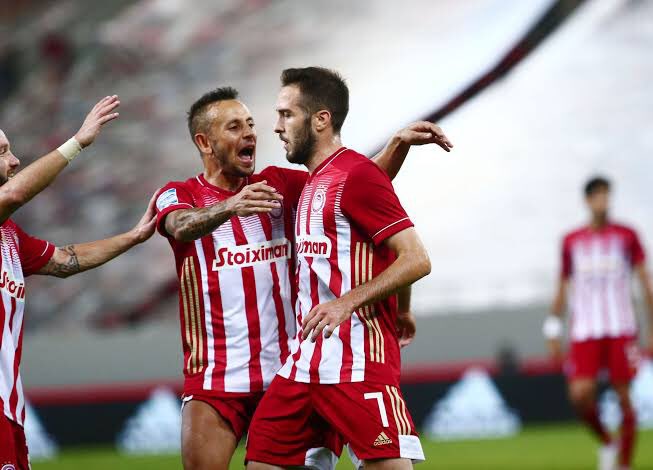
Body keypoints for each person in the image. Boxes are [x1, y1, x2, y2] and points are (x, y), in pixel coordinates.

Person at [154, 86, 451, 470]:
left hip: (291, 368)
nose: (250, 133)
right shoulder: (179, 194)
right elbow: (180, 226)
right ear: (204, 142)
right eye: (234, 127)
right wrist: (230, 207)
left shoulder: (277, 185)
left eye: (250, 124)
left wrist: (396, 146)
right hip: (217, 378)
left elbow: (350, 184)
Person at [245, 67, 432, 469]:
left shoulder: (357, 175)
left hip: (356, 364)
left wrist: (346, 303)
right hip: (304, 367)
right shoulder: (317, 180)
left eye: (286, 115)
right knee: (260, 460)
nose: (276, 127)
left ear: (321, 119)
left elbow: (415, 258)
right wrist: (402, 310)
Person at [0, 95, 158, 470]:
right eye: (3, 152)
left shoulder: (9, 234)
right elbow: (14, 193)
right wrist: (78, 142)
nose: (15, 160)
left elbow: (63, 261)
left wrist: (132, 237)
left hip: (8, 406)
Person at [545, 176, 653, 470]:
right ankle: (608, 442)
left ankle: (624, 464)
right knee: (579, 395)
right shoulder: (571, 241)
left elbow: (645, 282)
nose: (603, 200)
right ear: (587, 200)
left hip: (621, 328)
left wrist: (651, 327)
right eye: (597, 195)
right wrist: (552, 328)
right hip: (585, 330)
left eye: (607, 194)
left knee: (624, 398)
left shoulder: (627, 235)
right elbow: (562, 287)